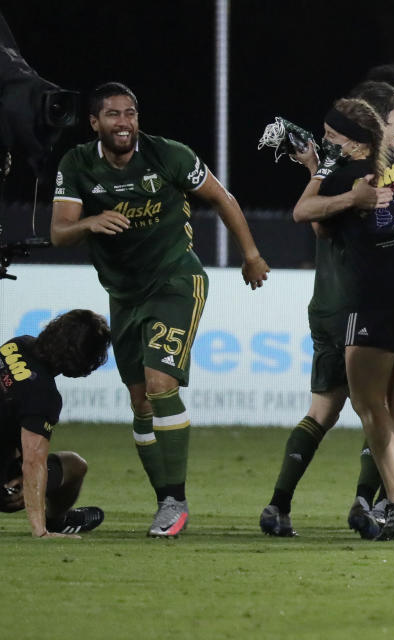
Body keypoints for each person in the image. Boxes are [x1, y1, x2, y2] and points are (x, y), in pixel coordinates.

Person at [51, 82, 271, 538]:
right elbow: (59, 232)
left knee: (159, 383)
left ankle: (175, 500)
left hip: (175, 280)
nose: (124, 122)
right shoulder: (76, 164)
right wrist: (90, 221)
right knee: (139, 401)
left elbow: (222, 199)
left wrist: (250, 255)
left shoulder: (169, 155)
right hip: (124, 294)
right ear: (95, 123)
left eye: (130, 113)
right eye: (112, 114)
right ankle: (164, 501)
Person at [291, 97, 394, 541]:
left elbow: (304, 213)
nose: (326, 141)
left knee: (368, 403)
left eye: (331, 135)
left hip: (376, 295)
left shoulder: (346, 173)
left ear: (353, 141)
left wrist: (335, 184)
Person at [1, 310, 111, 537]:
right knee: (75, 465)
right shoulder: (43, 395)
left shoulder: (16, 345)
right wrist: (39, 531)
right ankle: (55, 523)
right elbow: (33, 463)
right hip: (5, 487)